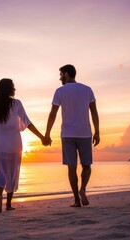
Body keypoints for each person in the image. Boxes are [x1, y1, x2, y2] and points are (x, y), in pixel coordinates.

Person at [0, 78, 49, 213]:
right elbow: (27, 122)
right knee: (12, 173)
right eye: (13, 87)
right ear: (9, 89)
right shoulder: (16, 104)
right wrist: (41, 137)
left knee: (0, 172)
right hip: (14, 145)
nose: (15, 89)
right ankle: (8, 204)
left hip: (0, 145)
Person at [45, 64, 100, 207]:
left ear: (67, 74)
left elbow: (53, 114)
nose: (59, 78)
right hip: (85, 133)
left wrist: (47, 133)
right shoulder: (87, 89)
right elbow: (94, 112)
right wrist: (97, 131)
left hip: (68, 134)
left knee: (71, 167)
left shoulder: (60, 91)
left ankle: (76, 200)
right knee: (86, 166)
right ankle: (83, 190)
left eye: (61, 74)